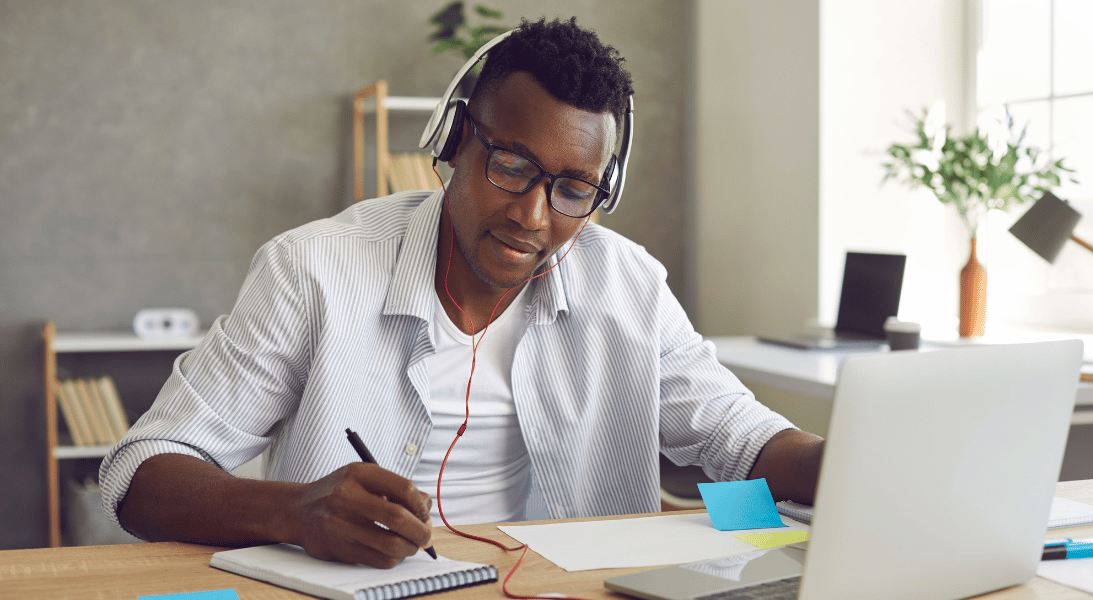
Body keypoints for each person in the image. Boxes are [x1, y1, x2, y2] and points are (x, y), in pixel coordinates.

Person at [100, 17, 824, 569]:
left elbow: (740, 439)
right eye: (511, 164)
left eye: (573, 190)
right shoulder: (314, 270)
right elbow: (140, 474)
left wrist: (841, 461)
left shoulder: (628, 285)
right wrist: (293, 511)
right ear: (452, 143)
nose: (532, 216)